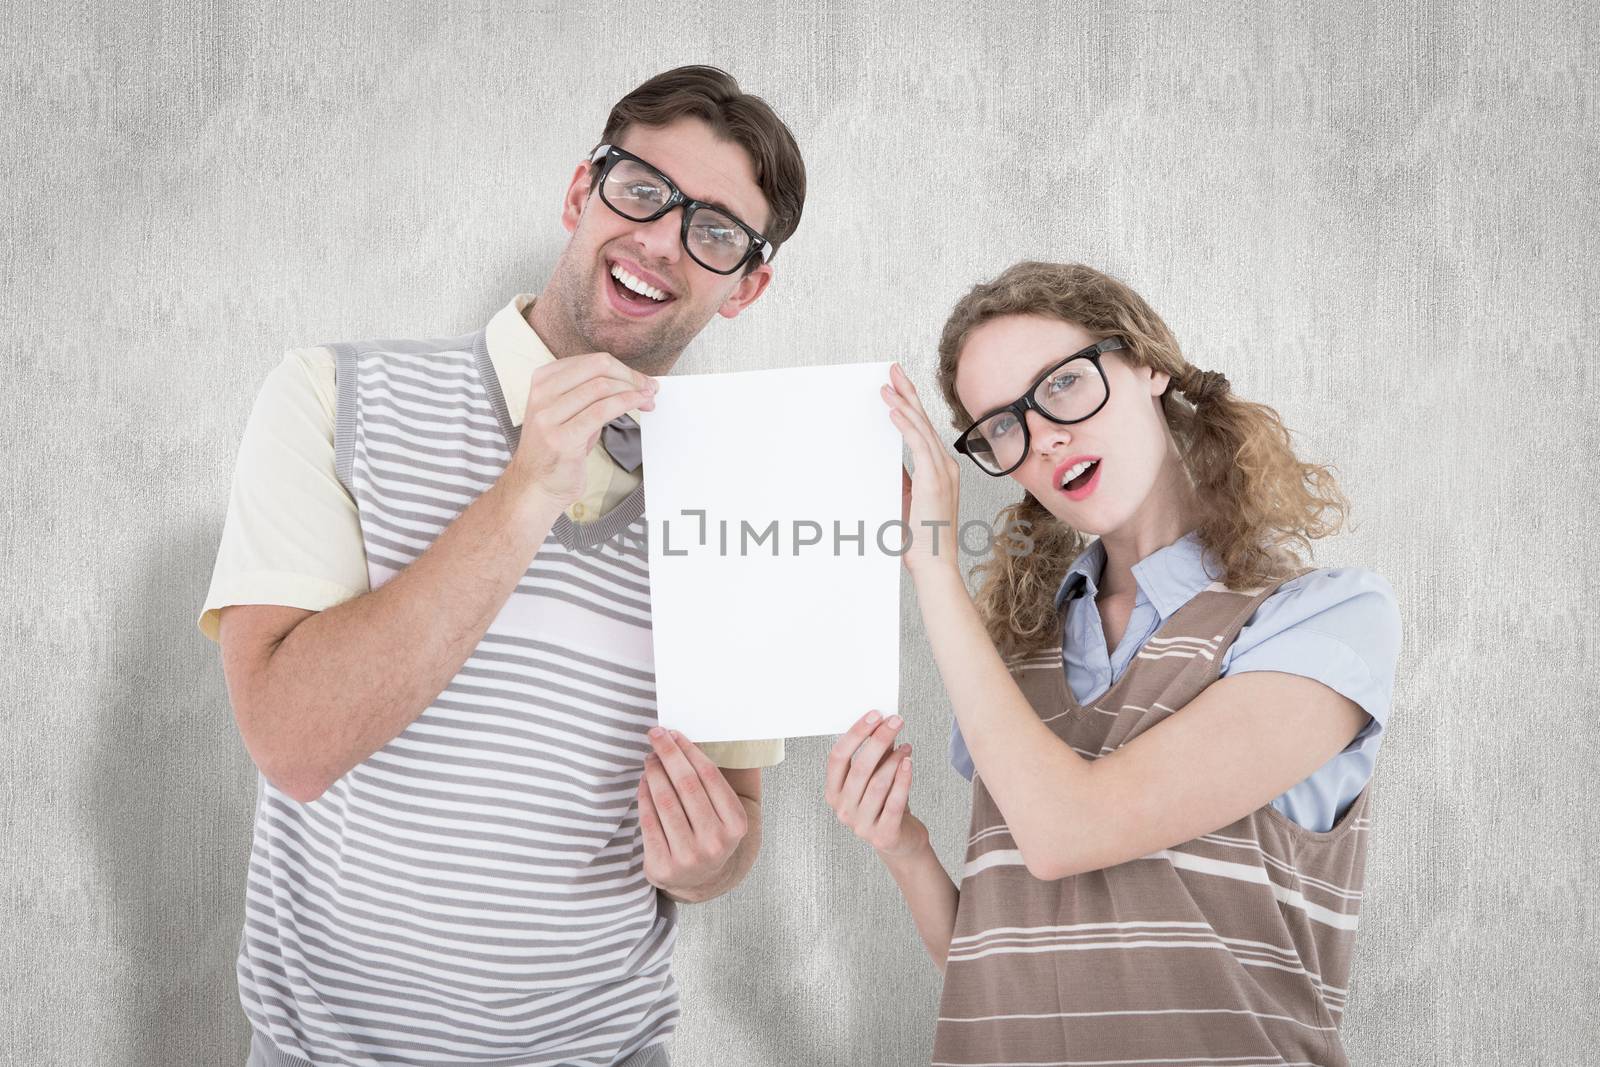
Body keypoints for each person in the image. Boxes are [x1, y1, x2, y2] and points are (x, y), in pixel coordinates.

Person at [198, 65, 805, 1067]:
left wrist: (708, 861)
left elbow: (733, 827)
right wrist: (525, 491)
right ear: (581, 192)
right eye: (643, 189)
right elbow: (293, 740)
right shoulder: (329, 397)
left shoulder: (734, 495)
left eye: (715, 232)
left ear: (746, 284)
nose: (661, 238)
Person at [825, 262, 1401, 1065]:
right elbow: (1001, 963)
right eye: (1002, 426)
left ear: (1148, 364)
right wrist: (906, 846)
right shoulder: (1011, 663)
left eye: (1062, 384)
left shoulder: (1321, 621)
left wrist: (932, 567)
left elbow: (1068, 830)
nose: (1043, 436)